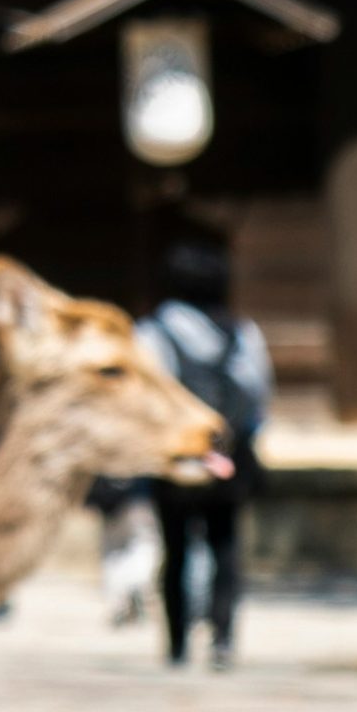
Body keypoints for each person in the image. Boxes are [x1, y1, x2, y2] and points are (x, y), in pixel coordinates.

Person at [133, 232, 269, 670]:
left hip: (177, 457)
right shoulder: (242, 332)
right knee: (225, 546)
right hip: (230, 455)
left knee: (175, 549)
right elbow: (259, 393)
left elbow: (146, 397)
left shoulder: (154, 332)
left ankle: (176, 644)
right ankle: (224, 638)